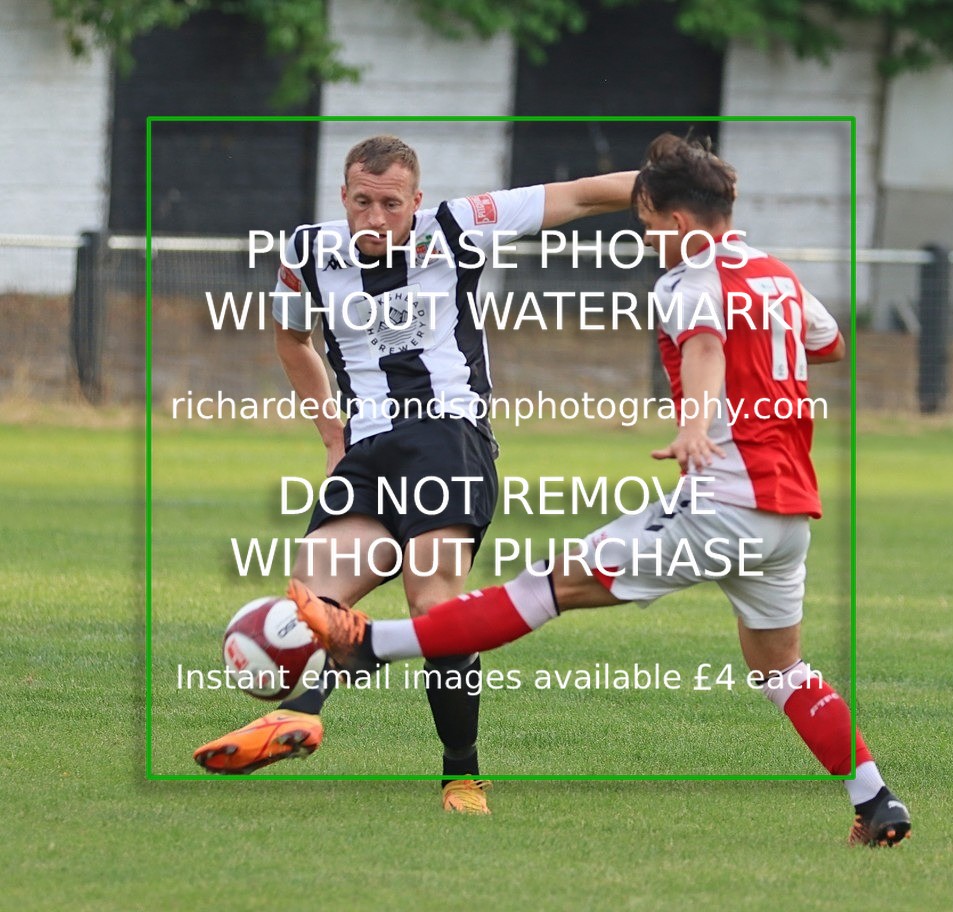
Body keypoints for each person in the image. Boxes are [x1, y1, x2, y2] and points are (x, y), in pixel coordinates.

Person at [288, 132, 912, 846]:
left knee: (542, 588)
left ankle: (371, 644)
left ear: (679, 223)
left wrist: (697, 425)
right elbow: (826, 343)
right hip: (788, 519)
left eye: (648, 226)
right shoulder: (774, 274)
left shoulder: (687, 282)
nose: (643, 239)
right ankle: (877, 801)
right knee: (782, 671)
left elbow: (705, 345)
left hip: (720, 506)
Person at [193, 134, 637, 814]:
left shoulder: (458, 227)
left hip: (447, 438)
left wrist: (674, 189)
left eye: (391, 204)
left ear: (416, 202)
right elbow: (291, 338)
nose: (375, 218)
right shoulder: (307, 252)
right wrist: (331, 432)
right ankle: (300, 714)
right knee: (310, 605)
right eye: (362, 202)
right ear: (342, 197)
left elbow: (577, 195)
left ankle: (462, 775)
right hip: (369, 453)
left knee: (432, 605)